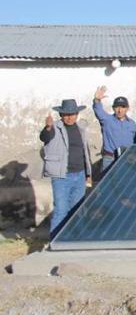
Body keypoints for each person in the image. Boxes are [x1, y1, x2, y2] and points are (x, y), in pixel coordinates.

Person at [40, 99, 92, 237]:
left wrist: (88, 172)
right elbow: (44, 137)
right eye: (66, 114)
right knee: (61, 210)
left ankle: (75, 240)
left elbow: (85, 151)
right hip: (62, 176)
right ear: (61, 115)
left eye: (72, 114)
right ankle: (56, 241)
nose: (69, 117)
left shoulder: (80, 128)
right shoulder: (54, 128)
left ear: (77, 114)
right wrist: (48, 127)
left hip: (79, 175)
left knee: (77, 211)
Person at [92, 86, 136, 171]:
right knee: (109, 183)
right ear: (113, 108)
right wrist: (97, 100)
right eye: (117, 107)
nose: (120, 110)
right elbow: (98, 110)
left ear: (127, 108)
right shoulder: (107, 120)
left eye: (123, 107)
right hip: (110, 159)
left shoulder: (132, 124)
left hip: (128, 158)